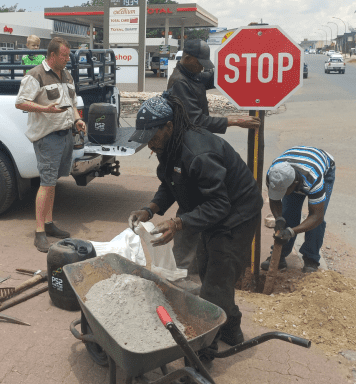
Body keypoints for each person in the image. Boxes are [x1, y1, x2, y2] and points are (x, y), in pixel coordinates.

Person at [128, 93, 263, 354]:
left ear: (168, 127)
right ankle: (230, 326)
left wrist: (178, 223)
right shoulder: (167, 146)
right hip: (211, 210)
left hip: (237, 214)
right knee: (205, 267)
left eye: (152, 138)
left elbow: (220, 205)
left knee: (216, 282)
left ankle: (205, 351)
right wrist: (150, 209)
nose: (150, 145)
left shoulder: (198, 153)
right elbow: (170, 184)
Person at [167, 39, 260, 291]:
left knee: (199, 208)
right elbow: (195, 119)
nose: (202, 69)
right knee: (190, 208)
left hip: (198, 147)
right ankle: (181, 274)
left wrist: (242, 64)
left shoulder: (192, 75)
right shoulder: (179, 83)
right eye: (200, 64)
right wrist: (233, 121)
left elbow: (212, 78)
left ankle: (192, 268)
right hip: (189, 150)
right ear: (188, 59)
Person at [15, 37, 87, 253]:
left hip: (64, 135)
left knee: (52, 182)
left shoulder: (67, 75)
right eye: (64, 55)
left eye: (68, 55)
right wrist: (46, 110)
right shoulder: (36, 74)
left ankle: (48, 223)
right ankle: (39, 233)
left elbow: (72, 104)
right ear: (53, 55)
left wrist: (77, 120)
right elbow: (20, 102)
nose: (68, 59)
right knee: (46, 183)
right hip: (47, 137)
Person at [261, 146, 335, 273]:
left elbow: (316, 216)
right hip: (296, 167)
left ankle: (311, 259)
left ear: (294, 184)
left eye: (284, 191)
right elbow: (274, 199)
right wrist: (279, 218)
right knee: (288, 215)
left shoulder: (314, 179)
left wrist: (291, 232)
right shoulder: (273, 174)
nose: (282, 194)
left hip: (323, 170)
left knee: (316, 222)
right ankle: (279, 256)